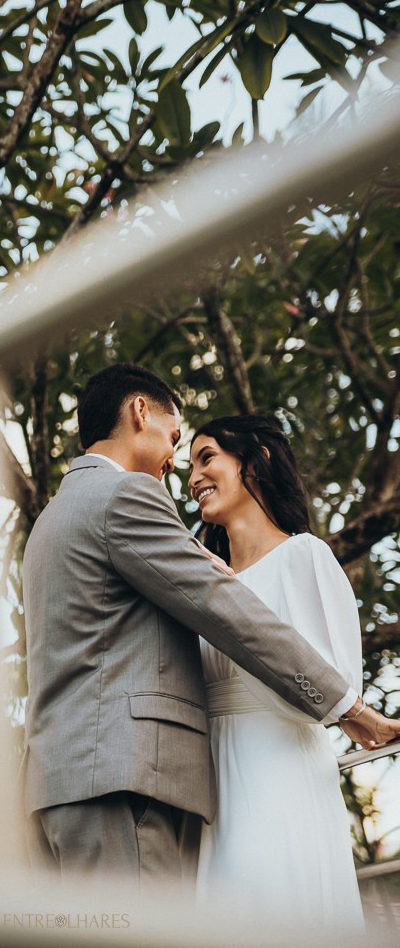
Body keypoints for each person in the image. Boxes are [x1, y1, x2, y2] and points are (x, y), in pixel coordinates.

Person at [21, 363, 399, 890]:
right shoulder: (125, 495)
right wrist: (350, 708)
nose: (177, 465)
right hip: (121, 782)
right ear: (139, 412)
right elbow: (223, 609)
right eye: (175, 439)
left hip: (60, 783)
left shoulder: (52, 518)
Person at [188, 415, 371, 928]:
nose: (193, 477)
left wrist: (233, 598)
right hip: (209, 778)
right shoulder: (199, 579)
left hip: (278, 767)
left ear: (257, 460)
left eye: (207, 458)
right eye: (189, 466)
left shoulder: (304, 555)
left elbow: (332, 688)